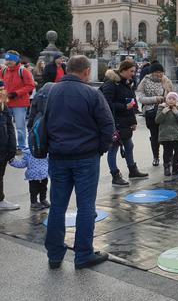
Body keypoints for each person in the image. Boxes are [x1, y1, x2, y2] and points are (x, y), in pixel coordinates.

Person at [42, 56, 115, 269]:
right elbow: (107, 126)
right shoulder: (91, 93)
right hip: (85, 156)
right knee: (85, 207)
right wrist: (99, 149)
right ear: (86, 71)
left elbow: (42, 121)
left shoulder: (52, 91)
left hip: (58, 156)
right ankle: (83, 254)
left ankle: (54, 255)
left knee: (57, 206)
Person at [100, 61, 147, 186]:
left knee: (129, 146)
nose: (133, 74)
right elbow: (106, 104)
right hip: (115, 122)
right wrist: (124, 107)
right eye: (131, 71)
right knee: (114, 148)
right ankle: (115, 175)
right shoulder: (111, 84)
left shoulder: (126, 84)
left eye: (134, 71)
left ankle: (132, 170)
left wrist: (133, 121)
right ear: (123, 70)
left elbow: (131, 103)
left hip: (125, 122)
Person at [137, 62, 173, 166]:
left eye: (161, 72)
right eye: (157, 72)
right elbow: (141, 98)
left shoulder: (166, 81)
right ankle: (156, 157)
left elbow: (173, 95)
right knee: (154, 136)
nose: (159, 74)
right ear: (152, 72)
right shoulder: (145, 81)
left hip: (165, 111)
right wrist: (155, 99)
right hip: (151, 112)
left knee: (167, 135)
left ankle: (168, 158)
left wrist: (168, 100)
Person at [1, 50, 36, 151]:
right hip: (6, 102)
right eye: (6, 60)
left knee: (20, 127)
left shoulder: (23, 71)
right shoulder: (3, 70)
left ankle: (21, 147)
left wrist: (16, 93)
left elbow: (30, 85)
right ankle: (10, 146)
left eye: (10, 60)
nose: (8, 62)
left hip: (19, 104)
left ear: (16, 60)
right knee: (6, 126)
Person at [155, 92, 178, 176]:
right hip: (165, 134)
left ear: (176, 101)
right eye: (169, 98)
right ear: (166, 99)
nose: (171, 101)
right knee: (167, 152)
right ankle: (167, 167)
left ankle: (175, 167)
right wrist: (163, 112)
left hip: (176, 134)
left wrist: (177, 113)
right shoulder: (161, 108)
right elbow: (157, 120)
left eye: (173, 99)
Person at [0, 82, 19, 211]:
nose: (3, 91)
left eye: (3, 89)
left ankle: (0, 200)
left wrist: (12, 148)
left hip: (3, 148)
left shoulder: (4, 106)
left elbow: (10, 127)